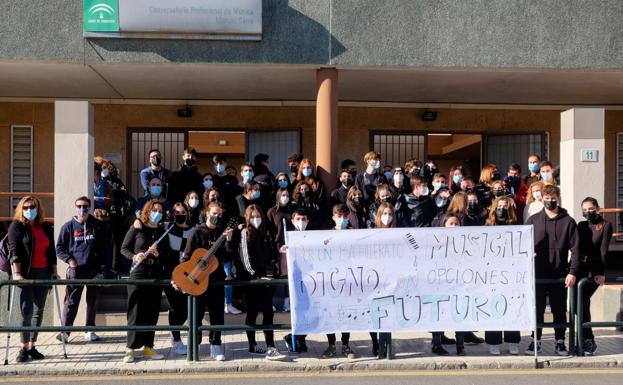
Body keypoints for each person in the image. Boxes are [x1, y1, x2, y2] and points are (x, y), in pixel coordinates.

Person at [526, 185, 579, 356]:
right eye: (546, 197)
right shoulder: (533, 220)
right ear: (541, 198)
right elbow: (522, 245)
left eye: (553, 197)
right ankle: (536, 341)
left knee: (559, 310)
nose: (550, 200)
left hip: (559, 274)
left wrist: (572, 271)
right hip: (538, 274)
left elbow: (576, 249)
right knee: (537, 309)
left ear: (558, 198)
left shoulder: (569, 221)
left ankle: (560, 342)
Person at [7, 196, 58, 362]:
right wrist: (17, 273)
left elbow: (52, 252)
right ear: (21, 209)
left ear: (38, 208)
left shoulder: (45, 226)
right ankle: (23, 346)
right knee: (26, 310)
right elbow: (14, 250)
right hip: (26, 273)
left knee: (39, 310)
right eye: (26, 207)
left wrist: (54, 271)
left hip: (43, 272)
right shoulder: (17, 226)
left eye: (32, 206)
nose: (30, 210)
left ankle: (32, 346)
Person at [120, 200, 172, 363]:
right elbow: (124, 248)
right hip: (139, 272)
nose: (157, 212)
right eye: (154, 210)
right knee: (136, 310)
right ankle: (130, 349)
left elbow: (168, 255)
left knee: (152, 310)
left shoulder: (162, 231)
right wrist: (134, 256)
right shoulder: (137, 227)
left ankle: (148, 347)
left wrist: (157, 254)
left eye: (160, 211)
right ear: (148, 211)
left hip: (155, 272)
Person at [182, 202, 234, 361]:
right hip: (197, 280)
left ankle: (216, 346)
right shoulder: (197, 232)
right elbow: (187, 256)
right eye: (214, 213)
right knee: (196, 315)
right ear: (206, 213)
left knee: (217, 314)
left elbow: (227, 258)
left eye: (219, 214)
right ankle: (194, 345)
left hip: (216, 281)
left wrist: (229, 241)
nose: (217, 216)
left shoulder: (221, 233)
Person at [236, 205, 287, 361]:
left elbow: (272, 255)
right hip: (251, 281)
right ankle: (252, 345)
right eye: (252, 217)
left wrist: (271, 273)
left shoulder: (266, 232)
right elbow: (246, 259)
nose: (256, 219)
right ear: (247, 218)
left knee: (268, 312)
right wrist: (256, 276)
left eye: (258, 216)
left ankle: (271, 347)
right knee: (252, 312)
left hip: (267, 280)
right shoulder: (245, 232)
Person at [55, 196, 107, 344]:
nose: (82, 208)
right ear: (75, 207)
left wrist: (104, 268)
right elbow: (59, 248)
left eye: (85, 206)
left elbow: (104, 248)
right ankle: (65, 331)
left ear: (90, 207)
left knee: (92, 301)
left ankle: (90, 329)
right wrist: (69, 260)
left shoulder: (97, 225)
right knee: (71, 301)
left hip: (94, 269)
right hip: (76, 270)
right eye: (79, 205)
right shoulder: (68, 226)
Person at [320, 204, 358, 359]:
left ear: (348, 217)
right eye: (339, 216)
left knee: (346, 314)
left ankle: (346, 345)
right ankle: (331, 345)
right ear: (333, 217)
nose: (342, 219)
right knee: (330, 314)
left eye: (344, 216)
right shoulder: (326, 236)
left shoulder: (353, 235)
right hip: (331, 282)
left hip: (348, 281)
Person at [484, 196, 521, 355]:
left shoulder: (516, 225)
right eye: (499, 206)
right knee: (493, 307)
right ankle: (494, 342)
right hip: (491, 273)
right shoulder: (487, 225)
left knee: (511, 306)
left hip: (511, 273)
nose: (502, 208)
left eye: (505, 206)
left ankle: (512, 341)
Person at [577, 197, 613, 355]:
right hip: (579, 267)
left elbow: (603, 251)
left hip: (594, 269)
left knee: (583, 300)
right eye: (584, 210)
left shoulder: (605, 225)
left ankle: (588, 339)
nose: (588, 212)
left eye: (591, 209)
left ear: (598, 209)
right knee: (579, 305)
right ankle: (582, 339)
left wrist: (600, 272)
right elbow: (575, 248)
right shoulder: (581, 225)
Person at [431, 214, 468, 356]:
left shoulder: (464, 241)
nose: (454, 226)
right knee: (439, 313)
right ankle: (436, 344)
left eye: (456, 224)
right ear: (444, 225)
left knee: (460, 312)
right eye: (451, 224)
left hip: (459, 283)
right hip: (440, 283)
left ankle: (460, 345)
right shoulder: (437, 242)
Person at [282, 209, 311, 353]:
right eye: (298, 218)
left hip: (309, 279)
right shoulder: (288, 237)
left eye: (304, 218)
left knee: (309, 311)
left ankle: (300, 337)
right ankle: (294, 338)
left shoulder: (311, 236)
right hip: (294, 279)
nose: (301, 221)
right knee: (298, 311)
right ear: (292, 221)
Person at [369, 202, 394, 357]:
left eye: (390, 214)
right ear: (378, 215)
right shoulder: (371, 233)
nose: (387, 217)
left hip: (392, 280)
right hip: (374, 280)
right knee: (374, 314)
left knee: (388, 314)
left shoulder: (398, 233)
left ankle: (388, 346)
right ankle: (375, 343)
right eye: (384, 214)